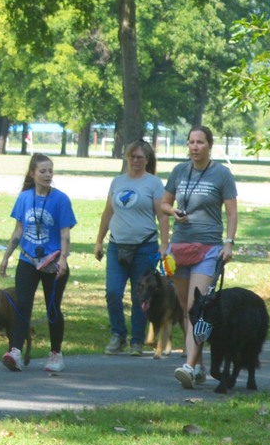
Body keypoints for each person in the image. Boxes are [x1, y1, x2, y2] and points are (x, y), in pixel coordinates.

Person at [162, 126, 239, 389]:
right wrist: (173, 212)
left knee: (199, 307)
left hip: (208, 248)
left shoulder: (222, 174)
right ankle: (198, 364)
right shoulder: (179, 171)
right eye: (191, 142)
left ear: (209, 145)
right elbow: (162, 203)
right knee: (186, 309)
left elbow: (231, 213)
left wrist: (228, 243)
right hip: (180, 247)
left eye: (200, 142)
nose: (195, 147)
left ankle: (189, 365)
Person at [0, 153, 76, 374]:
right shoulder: (25, 197)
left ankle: (55, 353)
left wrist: (63, 259)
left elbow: (65, 233)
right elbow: (18, 230)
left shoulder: (61, 199)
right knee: (23, 304)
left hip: (52, 262)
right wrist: (6, 256)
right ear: (33, 174)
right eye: (43, 171)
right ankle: (15, 351)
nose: (47, 175)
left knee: (53, 307)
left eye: (50, 171)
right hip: (28, 259)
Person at [94, 139, 169, 356]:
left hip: (145, 245)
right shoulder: (117, 182)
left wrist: (164, 245)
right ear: (127, 157)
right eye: (132, 156)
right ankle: (118, 335)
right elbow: (108, 212)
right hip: (117, 245)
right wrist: (99, 240)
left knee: (141, 295)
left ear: (147, 160)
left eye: (140, 157)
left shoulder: (154, 183)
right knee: (113, 292)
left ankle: (137, 340)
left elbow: (162, 216)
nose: (135, 161)